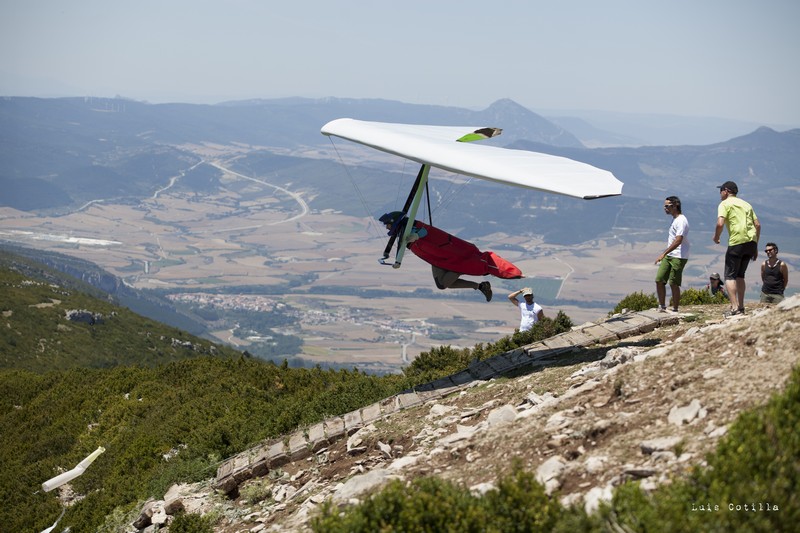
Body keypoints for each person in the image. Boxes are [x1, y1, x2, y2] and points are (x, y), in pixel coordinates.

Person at [378, 212, 523, 302]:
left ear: (394, 222)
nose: (387, 228)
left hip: (453, 258)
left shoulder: (413, 227)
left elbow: (426, 232)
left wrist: (416, 236)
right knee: (441, 284)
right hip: (438, 259)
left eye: (388, 225)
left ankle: (462, 271)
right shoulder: (403, 232)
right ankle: (481, 286)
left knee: (443, 284)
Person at [712, 181, 760, 316]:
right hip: (751, 243)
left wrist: (716, 237)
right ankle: (742, 306)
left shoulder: (725, 204)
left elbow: (720, 223)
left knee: (730, 276)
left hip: (737, 242)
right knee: (740, 275)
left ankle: (734, 307)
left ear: (726, 191)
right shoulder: (746, 204)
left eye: (721, 190)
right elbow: (757, 225)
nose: (720, 193)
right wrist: (755, 245)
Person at [654, 196, 690, 312]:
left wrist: (663, 253)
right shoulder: (675, 219)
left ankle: (675, 309)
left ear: (675, 206)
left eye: (667, 206)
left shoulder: (681, 221)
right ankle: (662, 306)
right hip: (670, 255)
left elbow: (678, 240)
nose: (665, 208)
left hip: (679, 255)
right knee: (659, 279)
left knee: (674, 283)